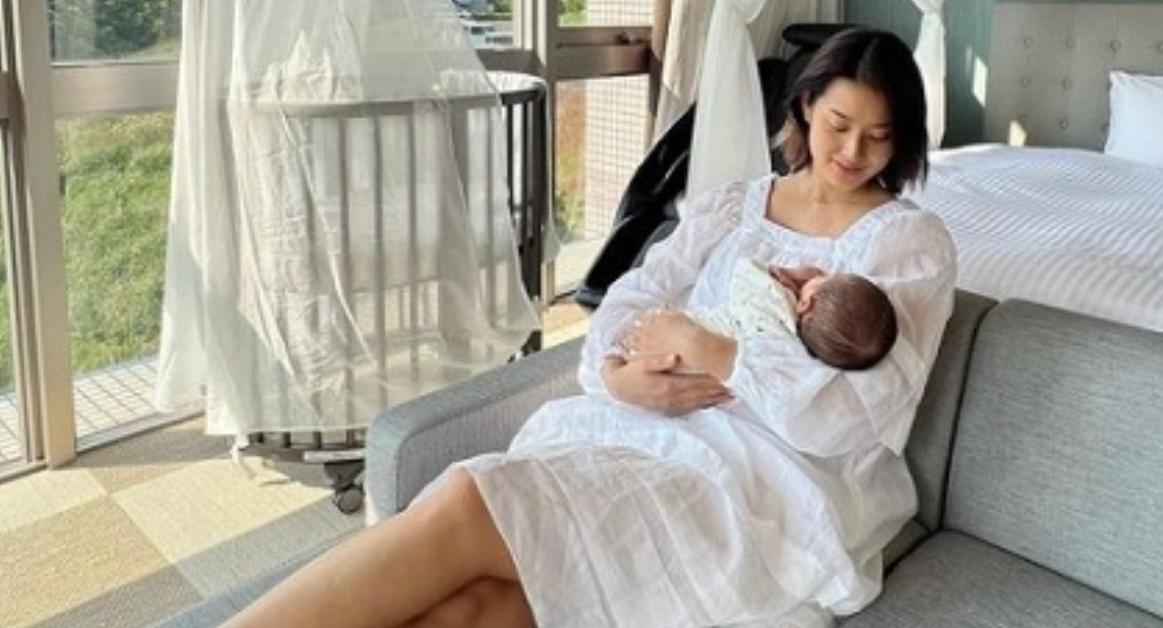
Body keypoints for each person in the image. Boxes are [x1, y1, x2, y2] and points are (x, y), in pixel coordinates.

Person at [225, 26, 957, 628]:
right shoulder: (732, 207)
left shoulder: (906, 245)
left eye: (878, 137)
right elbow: (637, 296)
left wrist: (714, 350)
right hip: (647, 428)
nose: (852, 154)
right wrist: (615, 374)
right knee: (485, 607)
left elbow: (862, 415)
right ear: (804, 107)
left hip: (768, 480)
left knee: (469, 501)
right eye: (838, 126)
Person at [670, 261, 899, 371]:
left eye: (825, 279)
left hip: (694, 332)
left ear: (806, 303)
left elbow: (744, 272)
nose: (822, 273)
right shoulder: (794, 348)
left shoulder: (776, 299)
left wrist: (781, 274)